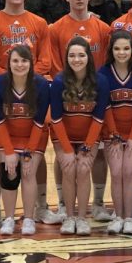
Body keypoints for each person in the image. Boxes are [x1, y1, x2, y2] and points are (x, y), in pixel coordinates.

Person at [0, 0, 53, 228]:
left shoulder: (39, 23)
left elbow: (45, 60)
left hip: (32, 94)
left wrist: (26, 80)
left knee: (36, 153)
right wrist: (9, 80)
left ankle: (41, 207)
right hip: (1, 94)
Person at [48, 0, 113, 222]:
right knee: (63, 154)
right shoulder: (55, 28)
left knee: (97, 153)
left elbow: (107, 63)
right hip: (65, 96)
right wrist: (65, 89)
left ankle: (97, 203)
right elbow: (55, 63)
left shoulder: (103, 28)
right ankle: (64, 205)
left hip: (94, 95)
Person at [49, 37, 109, 235]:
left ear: (88, 57)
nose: (77, 59)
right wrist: (67, 150)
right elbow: (56, 120)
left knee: (83, 169)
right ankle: (69, 216)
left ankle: (82, 218)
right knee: (68, 168)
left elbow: (99, 118)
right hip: (63, 135)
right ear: (66, 58)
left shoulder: (100, 81)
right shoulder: (59, 82)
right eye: (72, 55)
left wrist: (86, 147)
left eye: (81, 55)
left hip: (88, 137)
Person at [0, 45, 50, 236]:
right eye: (15, 60)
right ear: (8, 63)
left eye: (24, 60)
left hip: (33, 135)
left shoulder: (40, 85)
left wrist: (28, 153)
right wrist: (8, 152)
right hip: (6, 134)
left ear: (31, 63)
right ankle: (8, 218)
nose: (20, 64)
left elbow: (40, 122)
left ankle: (29, 218)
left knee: (28, 171)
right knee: (9, 171)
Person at [101, 30, 132, 234]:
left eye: (126, 48)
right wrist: (113, 133)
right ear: (111, 50)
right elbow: (105, 106)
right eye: (117, 48)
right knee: (117, 172)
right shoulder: (103, 73)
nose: (122, 52)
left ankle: (129, 217)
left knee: (128, 172)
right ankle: (117, 215)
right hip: (112, 132)